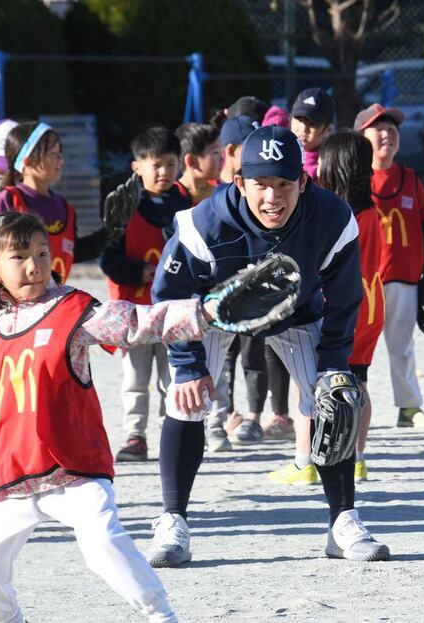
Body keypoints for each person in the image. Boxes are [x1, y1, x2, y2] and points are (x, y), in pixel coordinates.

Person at [0, 211, 220, 623]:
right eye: (20, 256)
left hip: (74, 468)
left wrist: (199, 313)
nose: (35, 265)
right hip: (18, 476)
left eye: (42, 253)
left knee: (103, 546)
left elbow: (136, 323)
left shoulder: (73, 309)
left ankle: (161, 615)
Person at [148, 125, 390, 567]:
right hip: (214, 313)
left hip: (297, 313)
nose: (272, 197)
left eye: (284, 184)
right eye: (261, 184)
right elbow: (169, 297)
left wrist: (333, 366)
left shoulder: (333, 218)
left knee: (335, 396)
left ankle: (343, 522)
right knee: (186, 400)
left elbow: (346, 299)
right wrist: (186, 365)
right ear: (239, 182)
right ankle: (172, 522)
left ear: (304, 181)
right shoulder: (202, 223)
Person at [100, 127, 188, 462]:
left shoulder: (183, 206)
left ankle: (172, 431)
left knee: (173, 376)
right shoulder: (123, 205)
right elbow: (109, 258)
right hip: (134, 311)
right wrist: (141, 271)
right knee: (135, 378)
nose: (164, 171)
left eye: (170, 164)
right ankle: (135, 435)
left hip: (172, 311)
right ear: (137, 166)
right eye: (156, 165)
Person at [354, 103, 424, 428]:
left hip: (404, 279)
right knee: (354, 348)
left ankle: (408, 407)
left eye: (392, 128)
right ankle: (346, 405)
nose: (387, 134)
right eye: (378, 128)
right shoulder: (355, 181)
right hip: (364, 282)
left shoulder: (410, 179)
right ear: (361, 136)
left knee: (402, 346)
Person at [212, 114, 295, 445]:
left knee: (255, 351)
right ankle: (226, 414)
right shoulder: (219, 199)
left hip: (260, 288)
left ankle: (255, 416)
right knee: (227, 355)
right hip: (226, 291)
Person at [316, 130, 382, 482]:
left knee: (327, 381)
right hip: (371, 306)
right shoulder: (372, 213)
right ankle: (357, 455)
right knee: (358, 381)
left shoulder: (339, 217)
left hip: (342, 306)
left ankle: (324, 451)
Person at [0, 120, 106, 283]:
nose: (60, 160)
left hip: (57, 303)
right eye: (53, 153)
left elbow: (74, 252)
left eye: (60, 153)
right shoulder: (8, 200)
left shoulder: (65, 207)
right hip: (20, 304)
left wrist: (109, 234)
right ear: (27, 161)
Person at [290, 87, 333, 183]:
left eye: (312, 123)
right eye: (299, 119)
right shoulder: (276, 153)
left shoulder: (331, 168)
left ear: (328, 129)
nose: (303, 129)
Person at [174, 122, 222, 206]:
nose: (222, 158)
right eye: (216, 152)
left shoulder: (221, 193)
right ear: (191, 161)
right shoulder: (172, 197)